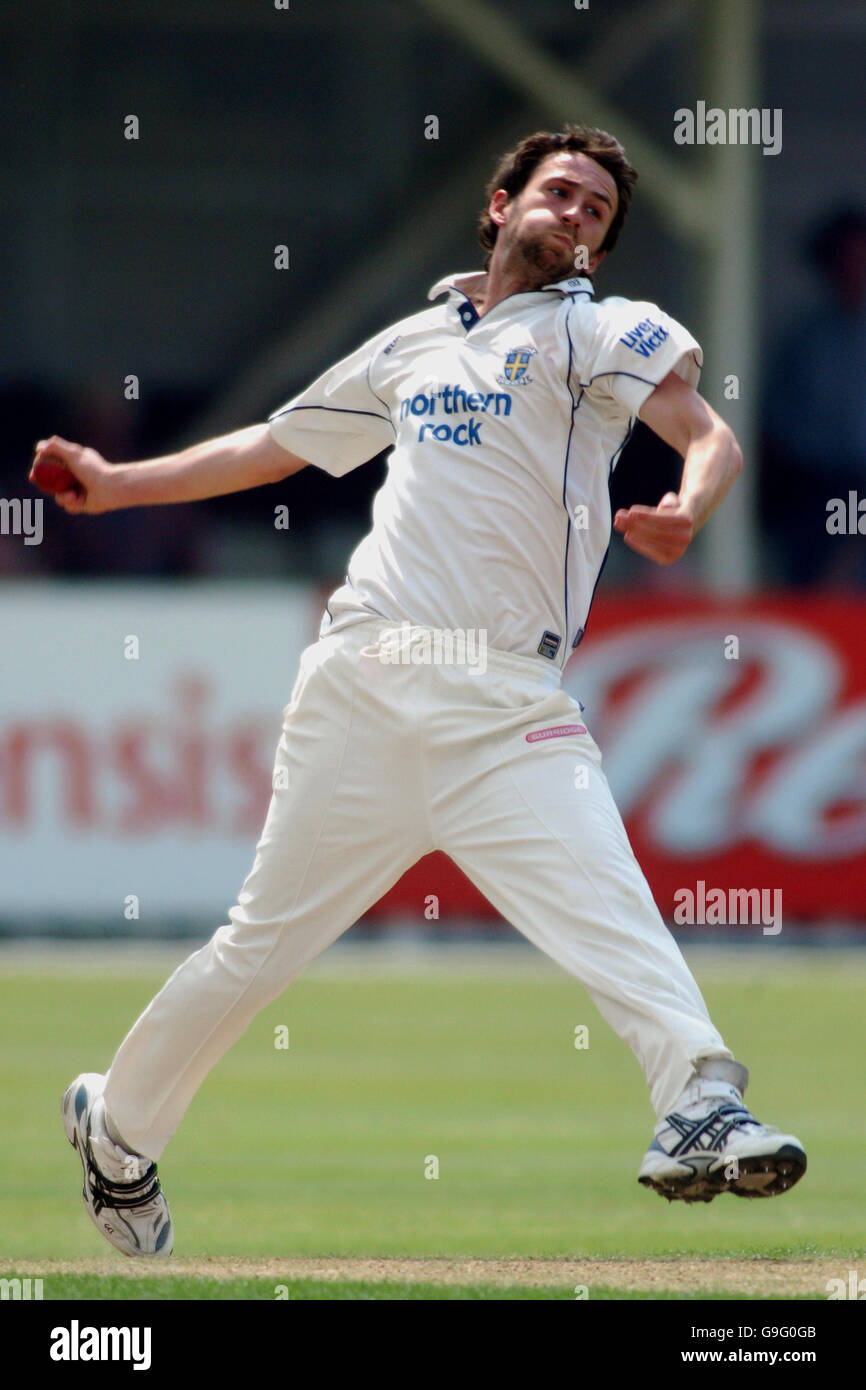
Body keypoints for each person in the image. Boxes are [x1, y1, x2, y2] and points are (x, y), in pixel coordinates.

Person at [38, 125, 805, 1259]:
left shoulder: (597, 329)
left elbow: (707, 433)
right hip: (363, 680)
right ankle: (117, 1134)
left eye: (596, 209)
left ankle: (697, 1100)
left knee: (607, 904)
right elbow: (275, 444)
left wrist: (686, 509)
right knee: (258, 949)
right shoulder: (413, 342)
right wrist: (115, 484)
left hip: (506, 705)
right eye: (557, 194)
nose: (577, 216)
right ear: (498, 206)